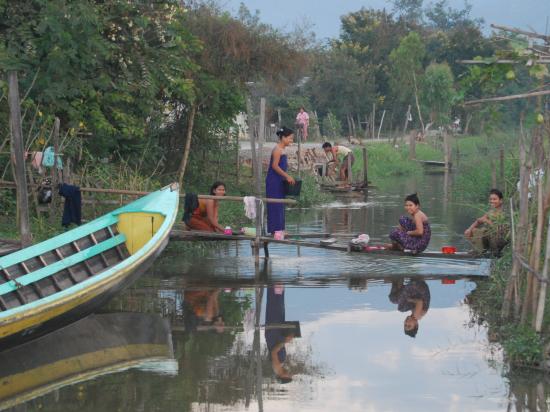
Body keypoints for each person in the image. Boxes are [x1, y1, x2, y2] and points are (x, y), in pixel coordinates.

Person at [265, 285, 300, 383]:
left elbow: (273, 352)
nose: (289, 374)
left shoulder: (277, 368)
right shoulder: (280, 367)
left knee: (275, 306)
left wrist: (285, 341)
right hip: (276, 333)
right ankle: (278, 284)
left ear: (283, 377)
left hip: (273, 332)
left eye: (288, 376)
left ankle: (274, 284)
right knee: (279, 307)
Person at [266, 127, 295, 235]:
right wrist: (287, 176)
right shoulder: (277, 149)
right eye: (290, 138)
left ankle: (280, 229)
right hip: (274, 180)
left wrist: (286, 176)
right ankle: (275, 230)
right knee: (275, 204)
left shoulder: (282, 149)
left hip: (280, 179)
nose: (291, 141)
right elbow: (274, 166)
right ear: (283, 138)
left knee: (281, 203)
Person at [464, 188, 508, 255]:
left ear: (501, 200)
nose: (492, 201)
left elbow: (499, 230)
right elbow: (478, 221)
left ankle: (484, 251)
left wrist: (487, 221)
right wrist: (469, 229)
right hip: (490, 239)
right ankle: (479, 250)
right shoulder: (491, 212)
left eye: (494, 199)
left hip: (499, 241)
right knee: (474, 230)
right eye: (491, 199)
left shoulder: (504, 213)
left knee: (483, 231)